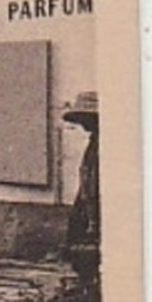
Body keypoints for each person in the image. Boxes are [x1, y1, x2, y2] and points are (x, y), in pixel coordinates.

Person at [63, 91, 101, 288]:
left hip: (97, 203)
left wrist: (92, 218)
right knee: (78, 246)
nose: (82, 123)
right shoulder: (94, 141)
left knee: (91, 250)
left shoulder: (106, 143)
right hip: (86, 200)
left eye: (86, 118)